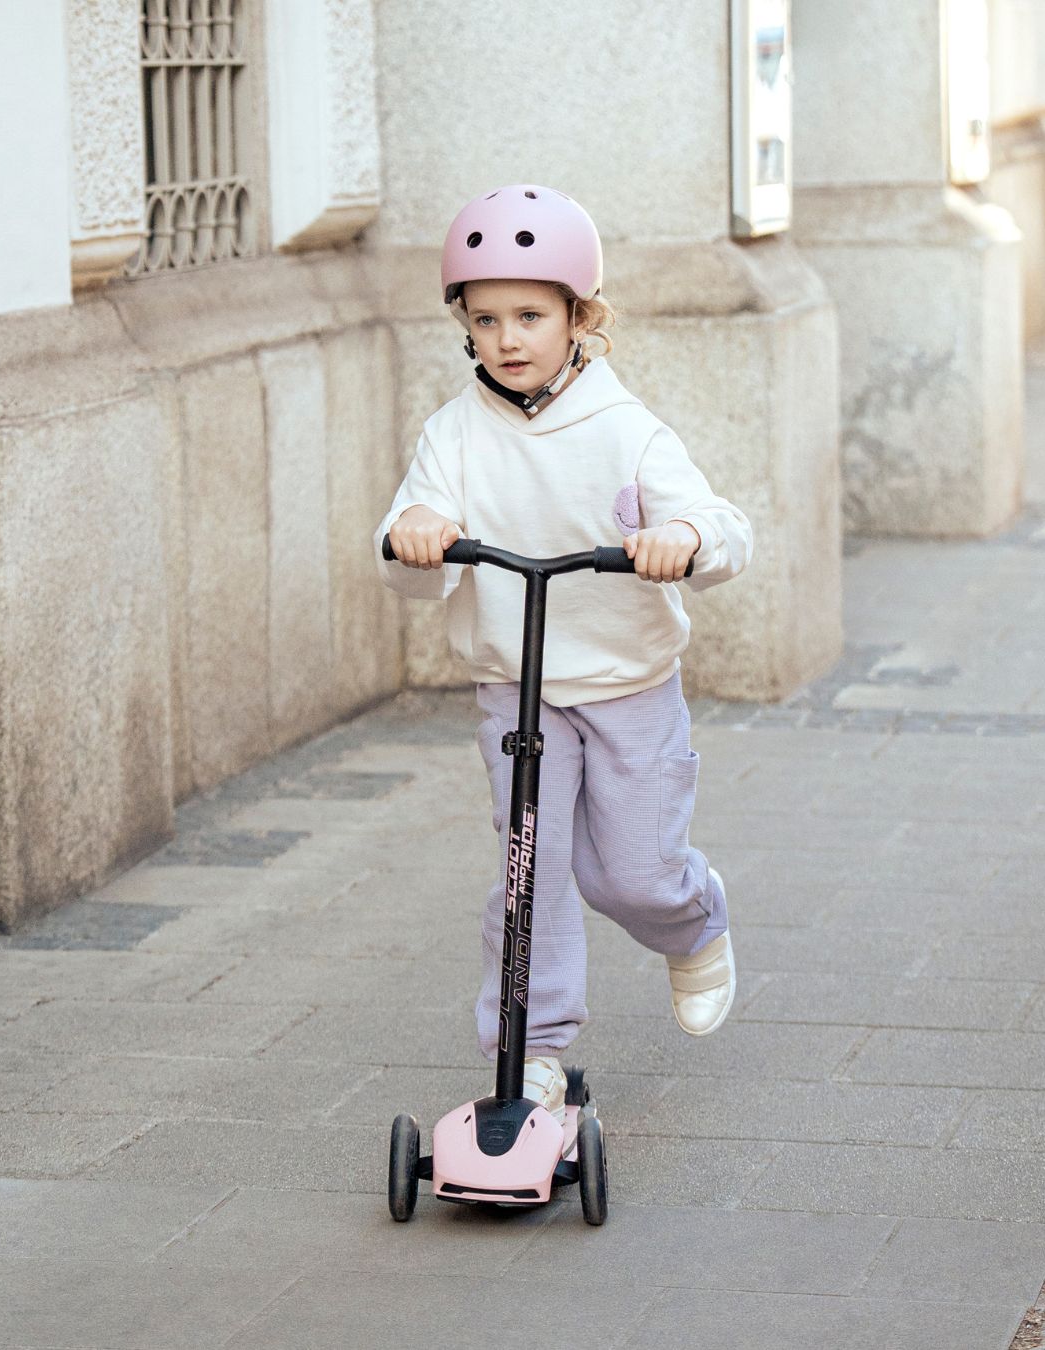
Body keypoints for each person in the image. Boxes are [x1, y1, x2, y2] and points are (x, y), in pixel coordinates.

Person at [374, 184, 753, 1124]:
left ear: (581, 318)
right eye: (485, 318)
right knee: (529, 873)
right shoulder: (454, 434)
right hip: (518, 687)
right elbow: (407, 550)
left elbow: (723, 527)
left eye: (531, 316)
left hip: (628, 686)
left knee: (630, 876)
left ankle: (693, 918)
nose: (507, 339)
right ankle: (530, 1054)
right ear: (465, 325)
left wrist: (685, 539)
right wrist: (414, 533)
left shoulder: (629, 430)